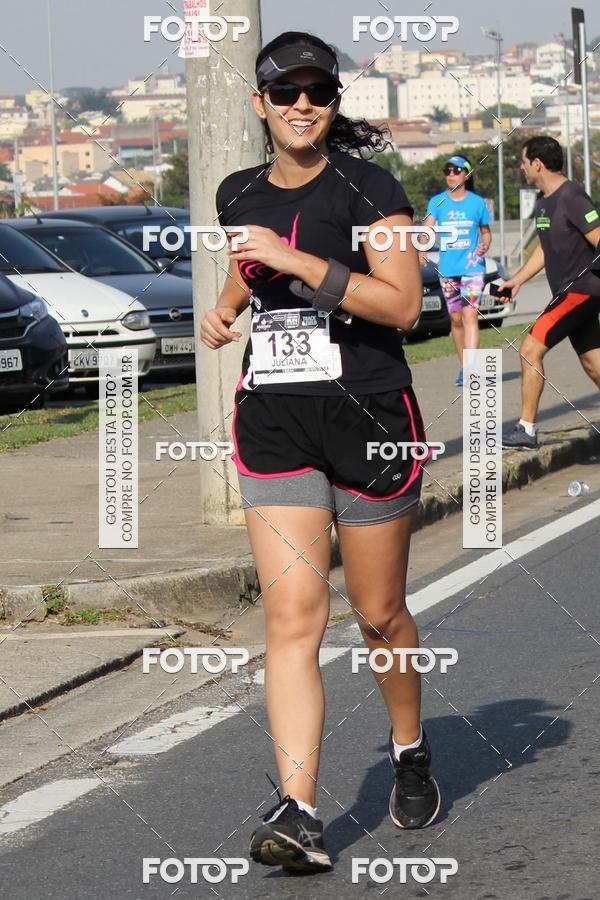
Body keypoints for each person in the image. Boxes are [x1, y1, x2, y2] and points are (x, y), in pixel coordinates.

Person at [200, 31, 441, 875]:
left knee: (379, 615)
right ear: (260, 103)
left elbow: (404, 305)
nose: (304, 104)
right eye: (286, 91)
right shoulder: (237, 190)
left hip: (371, 416)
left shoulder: (373, 187)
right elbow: (250, 262)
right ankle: (300, 810)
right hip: (276, 423)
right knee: (293, 616)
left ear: (335, 104)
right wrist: (228, 306)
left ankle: (409, 748)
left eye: (319, 92)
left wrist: (293, 259)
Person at [500, 136, 600, 449]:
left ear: (538, 163)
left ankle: (526, 429)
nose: (521, 166)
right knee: (593, 364)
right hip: (568, 293)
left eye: (524, 161)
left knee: (530, 348)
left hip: (581, 290)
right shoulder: (545, 202)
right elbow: (545, 250)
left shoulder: (572, 196)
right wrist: (516, 280)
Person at [420, 155, 492, 386]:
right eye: (447, 170)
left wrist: (485, 245)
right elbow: (427, 230)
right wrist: (421, 249)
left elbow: (486, 232)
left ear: (466, 174)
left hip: (472, 267)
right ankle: (464, 367)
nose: (451, 174)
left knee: (470, 314)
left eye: (456, 170)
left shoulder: (477, 203)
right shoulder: (437, 202)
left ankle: (472, 370)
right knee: (456, 318)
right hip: (448, 269)